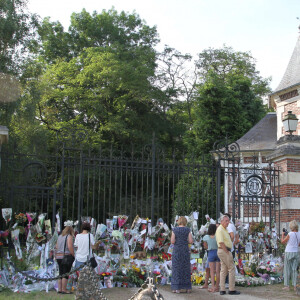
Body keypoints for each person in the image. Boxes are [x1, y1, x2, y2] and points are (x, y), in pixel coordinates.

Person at [216, 215, 240, 295]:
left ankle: (222, 289)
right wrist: (226, 251)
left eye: (228, 221)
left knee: (224, 270)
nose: (228, 222)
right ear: (221, 221)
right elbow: (221, 242)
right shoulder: (220, 229)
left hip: (224, 250)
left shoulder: (224, 229)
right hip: (224, 250)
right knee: (231, 268)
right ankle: (231, 289)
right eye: (226, 221)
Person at [171, 216, 193, 293]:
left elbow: (172, 241)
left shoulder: (175, 230)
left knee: (177, 268)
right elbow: (190, 241)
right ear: (185, 222)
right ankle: (187, 288)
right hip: (184, 250)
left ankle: (176, 288)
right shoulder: (187, 230)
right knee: (185, 267)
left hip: (177, 250)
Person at [55, 224, 75, 294]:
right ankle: (64, 289)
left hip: (58, 256)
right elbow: (69, 246)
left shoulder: (60, 236)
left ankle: (59, 289)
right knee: (65, 273)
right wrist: (73, 254)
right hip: (66, 256)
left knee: (60, 273)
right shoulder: (69, 236)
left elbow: (56, 246)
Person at [281, 220, 300, 292]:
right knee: (294, 269)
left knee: (287, 269)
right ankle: (295, 285)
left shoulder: (290, 234)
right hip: (296, 252)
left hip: (289, 252)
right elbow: (299, 244)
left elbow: (283, 242)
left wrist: (283, 235)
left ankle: (287, 285)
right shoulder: (299, 233)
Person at [203, 224, 220, 292]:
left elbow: (205, 246)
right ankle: (217, 287)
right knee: (218, 271)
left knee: (212, 271)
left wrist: (209, 247)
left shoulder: (206, 237)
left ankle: (212, 287)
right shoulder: (217, 236)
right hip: (218, 252)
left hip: (211, 252)